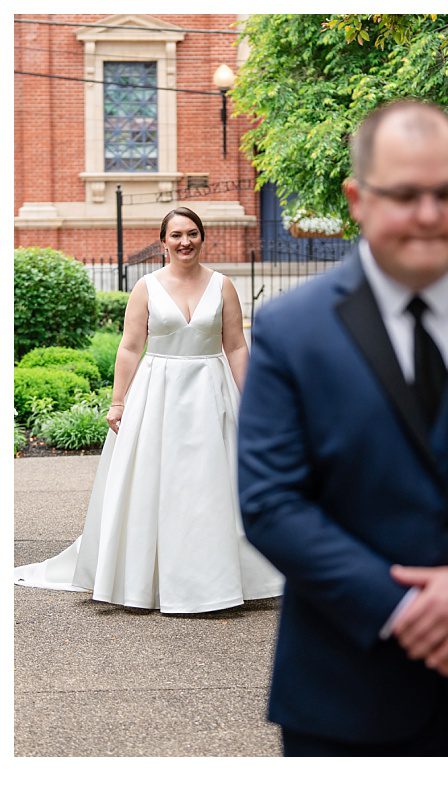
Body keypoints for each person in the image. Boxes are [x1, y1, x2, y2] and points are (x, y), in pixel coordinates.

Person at [237, 100, 448, 756]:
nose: (427, 214)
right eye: (404, 194)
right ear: (358, 198)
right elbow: (271, 502)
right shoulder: (290, 330)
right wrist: (404, 609)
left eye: (447, 193)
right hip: (344, 690)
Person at [15, 207, 282, 612]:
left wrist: (254, 402)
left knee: (212, 487)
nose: (185, 242)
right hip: (157, 395)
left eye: (192, 233)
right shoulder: (147, 287)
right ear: (163, 243)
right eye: (176, 235)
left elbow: (236, 347)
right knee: (156, 485)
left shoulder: (223, 285)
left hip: (212, 391)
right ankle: (149, 580)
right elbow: (129, 346)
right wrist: (118, 400)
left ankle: (217, 580)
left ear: (202, 238)